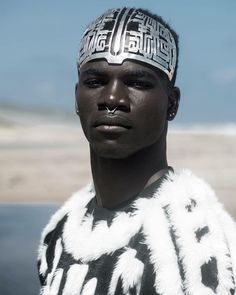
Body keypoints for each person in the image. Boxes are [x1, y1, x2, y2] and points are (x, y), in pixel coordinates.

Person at [37, 7, 236, 295]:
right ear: (77, 97)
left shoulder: (197, 249)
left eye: (137, 83)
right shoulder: (60, 235)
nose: (112, 98)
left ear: (172, 103)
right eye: (95, 82)